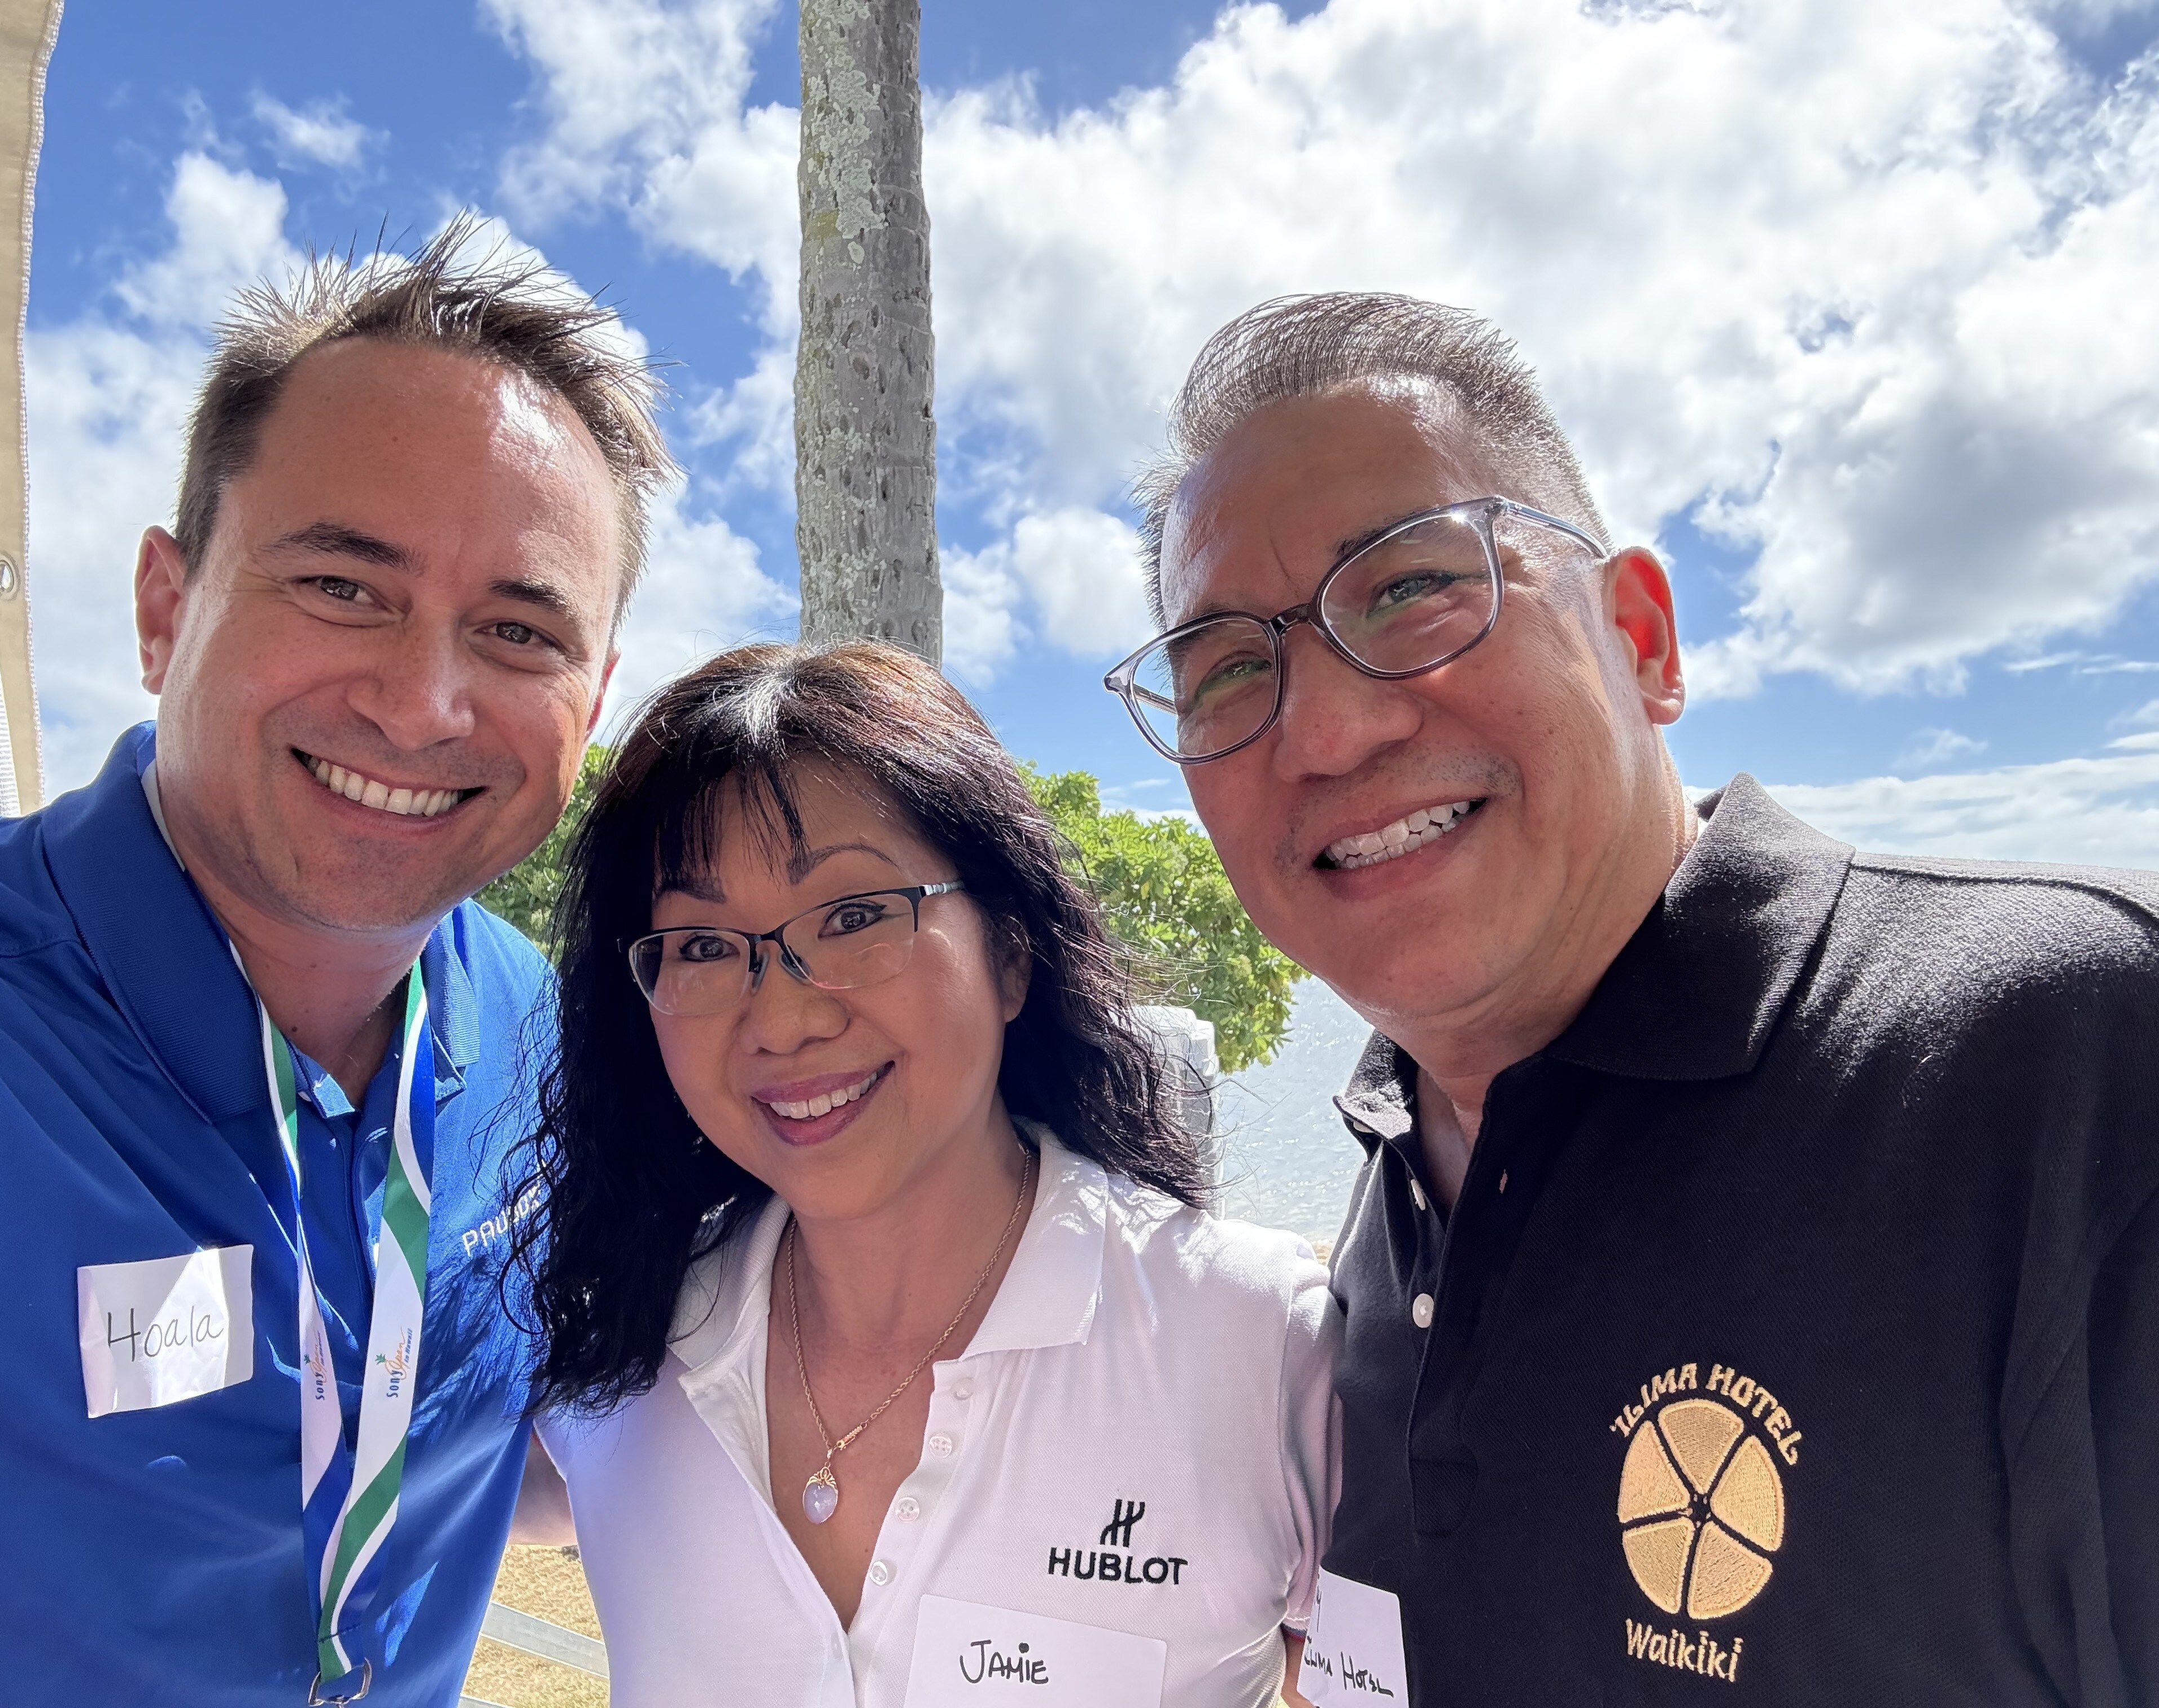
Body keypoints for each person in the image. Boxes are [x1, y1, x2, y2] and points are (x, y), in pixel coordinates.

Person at [1103, 293, 2159, 1705]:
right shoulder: (1384, 1208)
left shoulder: (2076, 1059)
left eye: (1412, 589)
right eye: (1232, 669)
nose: (1330, 730)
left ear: (1644, 640)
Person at [0, 228, 667, 1704]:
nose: (422, 705)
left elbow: (520, 1447)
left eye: (518, 631)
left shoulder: (549, 1043)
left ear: (595, 694)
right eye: (342, 587)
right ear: (164, 608)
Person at [512, 642, 1337, 1706]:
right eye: (705, 946)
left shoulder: (1256, 1342)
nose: (784, 1019)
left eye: (855, 917)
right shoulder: (615, 1354)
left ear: (1010, 953)